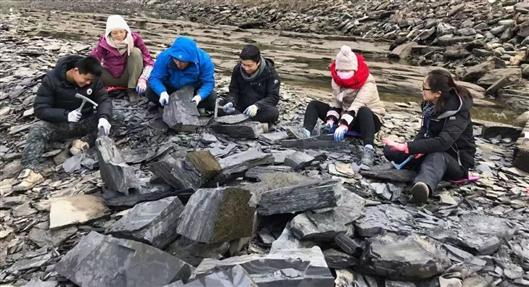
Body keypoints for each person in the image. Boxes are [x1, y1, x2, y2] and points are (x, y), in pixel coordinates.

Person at [13, 56, 113, 191]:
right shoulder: (52, 80)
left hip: (85, 121)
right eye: (86, 79)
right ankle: (31, 171)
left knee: (112, 117)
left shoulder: (93, 81)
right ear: (75, 71)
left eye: (91, 80)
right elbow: (40, 109)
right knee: (38, 128)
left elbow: (104, 100)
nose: (88, 83)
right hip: (61, 124)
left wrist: (103, 118)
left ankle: (83, 142)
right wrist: (65, 115)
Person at [383, 69, 476, 203]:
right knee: (391, 150)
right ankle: (425, 169)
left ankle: (423, 186)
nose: (422, 91)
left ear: (437, 93)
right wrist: (414, 148)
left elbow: (443, 143)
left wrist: (408, 147)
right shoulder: (429, 106)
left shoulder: (458, 112)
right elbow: (425, 131)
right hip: (432, 150)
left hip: (456, 161)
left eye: (424, 88)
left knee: (436, 157)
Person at [293, 45, 385, 166]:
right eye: (340, 71)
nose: (342, 74)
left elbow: (356, 106)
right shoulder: (336, 79)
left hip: (368, 121)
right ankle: (305, 133)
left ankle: (368, 148)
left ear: (355, 69)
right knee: (314, 105)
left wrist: (343, 125)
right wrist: (331, 119)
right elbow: (336, 101)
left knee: (364, 110)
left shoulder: (368, 82)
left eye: (346, 71)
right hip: (345, 114)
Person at [90, 15, 154, 102]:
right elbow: (93, 59)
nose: (119, 35)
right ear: (109, 33)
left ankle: (132, 90)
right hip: (109, 77)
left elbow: (149, 61)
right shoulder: (104, 42)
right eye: (115, 33)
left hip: (129, 77)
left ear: (126, 31)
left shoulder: (135, 39)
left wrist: (143, 79)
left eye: (121, 32)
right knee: (92, 66)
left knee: (135, 52)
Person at [146, 36, 215, 111]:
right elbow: (155, 78)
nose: (178, 64)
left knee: (212, 98)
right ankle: (169, 105)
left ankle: (191, 106)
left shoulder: (204, 60)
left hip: (193, 91)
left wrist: (199, 97)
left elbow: (208, 83)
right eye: (176, 59)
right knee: (150, 92)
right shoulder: (164, 56)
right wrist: (162, 92)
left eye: (183, 61)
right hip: (170, 89)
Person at [222, 44, 280, 124]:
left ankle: (239, 121)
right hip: (240, 106)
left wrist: (257, 106)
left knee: (273, 113)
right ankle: (246, 122)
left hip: (257, 109)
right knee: (221, 105)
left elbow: (273, 97)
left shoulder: (270, 73)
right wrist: (230, 102)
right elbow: (233, 91)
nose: (246, 68)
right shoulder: (237, 69)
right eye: (243, 64)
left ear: (258, 62)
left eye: (249, 65)